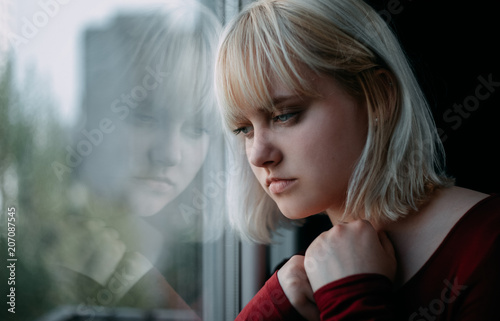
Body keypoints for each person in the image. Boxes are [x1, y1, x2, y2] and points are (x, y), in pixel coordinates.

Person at [214, 0, 500, 320]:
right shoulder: (299, 282)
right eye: (244, 129)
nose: (257, 154)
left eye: (285, 115)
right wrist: (272, 305)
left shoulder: (488, 247)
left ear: (378, 96)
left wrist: (350, 297)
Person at [41, 0, 223, 317]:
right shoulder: (45, 258)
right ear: (93, 115)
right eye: (146, 118)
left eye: (196, 128)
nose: (169, 154)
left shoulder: (218, 271)